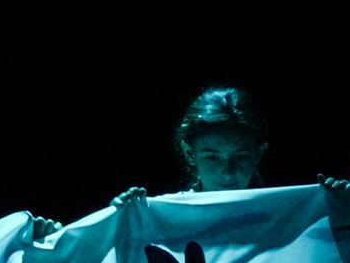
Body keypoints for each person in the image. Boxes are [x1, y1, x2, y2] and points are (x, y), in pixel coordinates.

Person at [113, 86, 270, 205]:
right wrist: (119, 220)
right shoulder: (169, 213)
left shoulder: (281, 214)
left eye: (241, 157)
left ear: (259, 153)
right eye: (212, 158)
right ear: (190, 154)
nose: (228, 173)